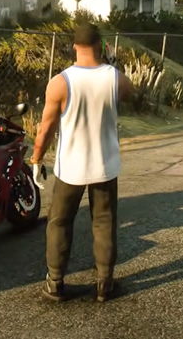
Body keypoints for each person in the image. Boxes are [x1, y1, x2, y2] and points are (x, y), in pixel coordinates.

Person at [29, 23, 132, 303]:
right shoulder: (117, 79)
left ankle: (55, 283)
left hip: (70, 168)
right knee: (104, 222)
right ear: (102, 45)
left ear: (74, 46)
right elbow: (127, 95)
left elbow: (46, 128)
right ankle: (104, 284)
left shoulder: (60, 82)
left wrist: (37, 159)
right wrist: (109, 64)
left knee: (60, 222)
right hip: (105, 165)